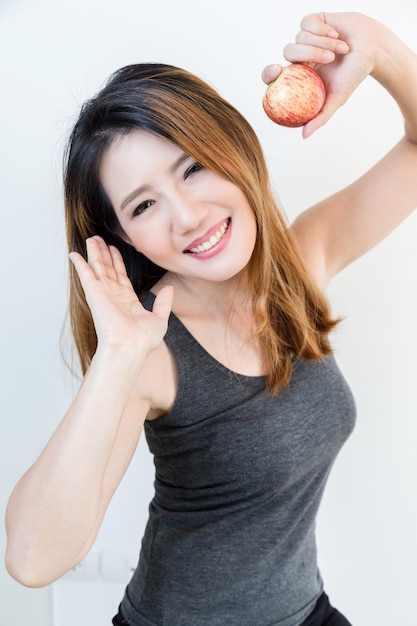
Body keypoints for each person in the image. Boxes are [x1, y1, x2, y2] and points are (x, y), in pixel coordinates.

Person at [5, 10, 417, 626]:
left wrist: (379, 46)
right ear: (124, 240)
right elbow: (34, 560)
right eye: (144, 204)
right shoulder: (150, 353)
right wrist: (117, 357)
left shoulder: (302, 266)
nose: (189, 215)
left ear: (234, 149)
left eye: (193, 167)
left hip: (307, 613)